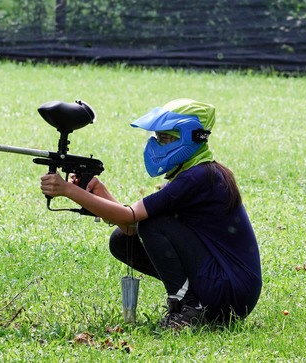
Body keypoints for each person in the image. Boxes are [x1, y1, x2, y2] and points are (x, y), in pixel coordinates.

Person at [40, 98, 261, 328]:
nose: (157, 145)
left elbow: (133, 218)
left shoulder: (198, 177)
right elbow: (129, 227)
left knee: (151, 224)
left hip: (230, 291)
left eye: (164, 138)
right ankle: (194, 304)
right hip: (228, 289)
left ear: (188, 136)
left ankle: (190, 308)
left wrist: (67, 190)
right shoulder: (194, 173)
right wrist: (100, 193)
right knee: (122, 240)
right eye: (157, 137)